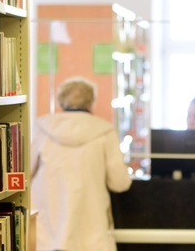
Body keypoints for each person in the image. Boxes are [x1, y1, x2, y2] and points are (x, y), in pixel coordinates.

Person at [30, 76, 132, 251]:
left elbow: (25, 173)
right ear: (91, 101)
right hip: (91, 229)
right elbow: (120, 183)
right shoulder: (104, 131)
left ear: (60, 99)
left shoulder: (44, 128)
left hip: (48, 226)